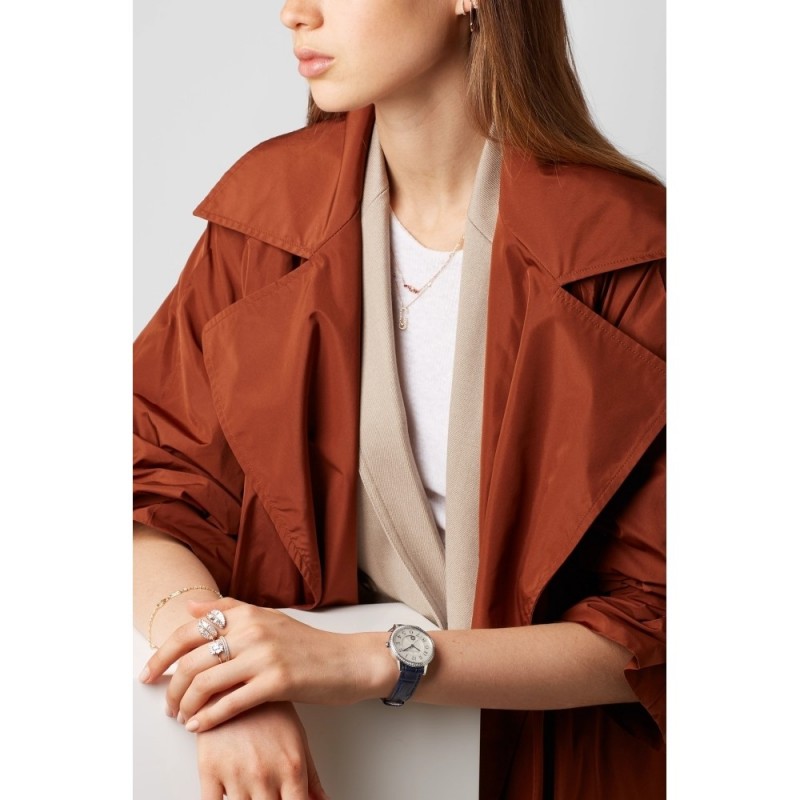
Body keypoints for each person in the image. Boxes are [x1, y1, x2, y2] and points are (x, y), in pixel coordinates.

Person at [133, 0, 666, 797]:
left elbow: (662, 618)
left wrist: (367, 660)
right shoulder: (265, 218)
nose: (295, 13)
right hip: (345, 765)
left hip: (568, 765)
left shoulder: (631, 255)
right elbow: (148, 495)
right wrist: (223, 676)